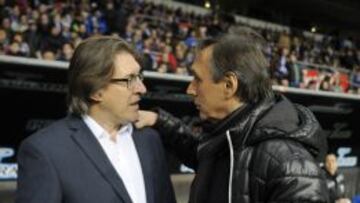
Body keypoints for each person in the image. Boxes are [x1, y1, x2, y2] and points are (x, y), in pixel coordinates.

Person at [136, 27, 329, 203]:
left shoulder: (291, 163)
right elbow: (198, 149)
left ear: (229, 85)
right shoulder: (227, 138)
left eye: (197, 79)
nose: (190, 89)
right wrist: (158, 120)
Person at [16, 36, 176, 203]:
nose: (142, 89)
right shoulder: (45, 151)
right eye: (130, 80)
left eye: (140, 77)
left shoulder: (150, 139)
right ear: (95, 91)